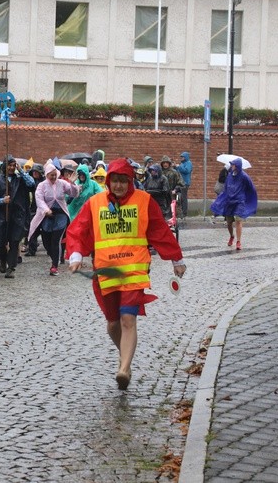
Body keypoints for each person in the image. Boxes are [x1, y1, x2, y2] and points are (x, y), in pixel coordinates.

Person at [66, 158, 186, 390]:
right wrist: (76, 255)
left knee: (128, 319)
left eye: (123, 181)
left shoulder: (144, 201)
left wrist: (176, 258)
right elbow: (78, 230)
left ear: (130, 181)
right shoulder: (95, 202)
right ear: (108, 181)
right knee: (113, 324)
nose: (119, 186)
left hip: (135, 270)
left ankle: (124, 368)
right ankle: (126, 358)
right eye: (115, 181)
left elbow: (159, 230)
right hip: (105, 271)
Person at [0, 155, 36, 278]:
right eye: (9, 165)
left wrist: (21, 171)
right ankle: (2, 259)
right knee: (0, 243)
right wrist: (1, 200)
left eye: (13, 165)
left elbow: (31, 184)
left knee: (14, 242)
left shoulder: (20, 179)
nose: (12, 168)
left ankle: (11, 267)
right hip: (1, 216)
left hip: (17, 217)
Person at [28, 162, 80, 276]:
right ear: (46, 175)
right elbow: (39, 199)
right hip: (46, 215)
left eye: (55, 174)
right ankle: (54, 256)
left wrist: (72, 183)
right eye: (51, 175)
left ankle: (54, 266)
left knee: (56, 240)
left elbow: (74, 194)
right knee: (47, 241)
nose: (53, 177)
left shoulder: (62, 183)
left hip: (60, 215)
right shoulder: (42, 186)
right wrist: (46, 210)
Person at [209, 157, 258, 250]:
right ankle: (232, 236)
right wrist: (221, 200)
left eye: (233, 164)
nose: (231, 166)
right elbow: (226, 189)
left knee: (238, 220)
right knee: (229, 222)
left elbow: (251, 187)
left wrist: (247, 197)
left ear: (237, 166)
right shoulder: (230, 176)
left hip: (240, 201)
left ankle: (238, 242)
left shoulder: (244, 176)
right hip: (230, 200)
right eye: (231, 164)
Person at [24, 163, 46, 257]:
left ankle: (49, 248)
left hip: (44, 210)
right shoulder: (31, 183)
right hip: (33, 210)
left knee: (46, 231)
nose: (35, 173)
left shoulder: (45, 183)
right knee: (32, 230)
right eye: (34, 171)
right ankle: (32, 249)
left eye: (37, 172)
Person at [175, 151, 193, 218]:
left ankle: (184, 212)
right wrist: (176, 167)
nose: (181, 158)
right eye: (181, 157)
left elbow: (186, 171)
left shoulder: (189, 163)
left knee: (183, 198)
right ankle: (180, 212)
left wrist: (179, 167)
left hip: (185, 183)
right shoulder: (182, 164)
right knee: (179, 197)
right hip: (180, 182)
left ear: (186, 157)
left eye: (182, 157)